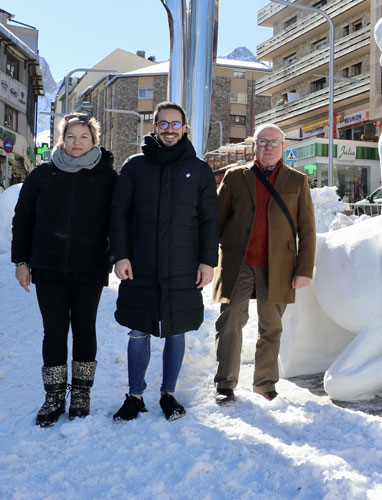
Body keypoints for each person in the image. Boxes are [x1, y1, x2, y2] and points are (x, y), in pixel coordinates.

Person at [109, 102, 218, 422]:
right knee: (137, 332)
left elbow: (210, 221)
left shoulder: (198, 170)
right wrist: (120, 255)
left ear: (185, 128)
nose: (170, 129)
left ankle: (168, 394)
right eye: (163, 124)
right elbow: (119, 214)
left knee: (176, 330)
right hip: (139, 263)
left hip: (182, 264)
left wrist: (207, 261)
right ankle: (135, 395)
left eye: (176, 124)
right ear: (154, 126)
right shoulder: (134, 166)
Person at [11, 114, 117, 426]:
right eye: (71, 136)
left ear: (94, 140)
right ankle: (54, 395)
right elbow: (23, 219)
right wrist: (21, 262)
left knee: (85, 329)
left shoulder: (108, 177)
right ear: (62, 138)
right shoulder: (42, 174)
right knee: (54, 331)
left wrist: (116, 254)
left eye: (84, 136)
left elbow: (120, 219)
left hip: (89, 267)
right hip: (48, 266)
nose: (76, 142)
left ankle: (81, 393)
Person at [212, 123, 316, 404]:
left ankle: (265, 383)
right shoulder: (235, 177)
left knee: (271, 327)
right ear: (254, 147)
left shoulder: (297, 181)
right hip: (240, 263)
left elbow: (306, 230)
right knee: (231, 319)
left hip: (278, 266)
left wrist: (304, 270)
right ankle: (225, 383)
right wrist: (217, 255)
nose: (268, 147)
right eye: (263, 142)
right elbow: (216, 221)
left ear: (284, 147)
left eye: (274, 142)